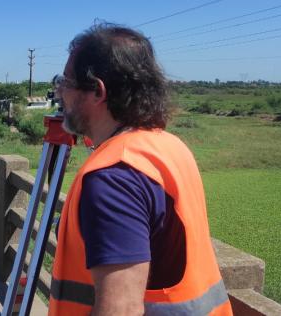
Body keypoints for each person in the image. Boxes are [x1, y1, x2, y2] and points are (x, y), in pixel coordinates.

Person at [50, 22, 232, 315]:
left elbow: (120, 309)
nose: (59, 92)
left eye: (66, 82)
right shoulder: (167, 145)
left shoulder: (113, 180)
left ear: (98, 91)